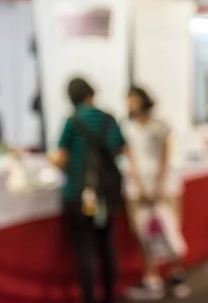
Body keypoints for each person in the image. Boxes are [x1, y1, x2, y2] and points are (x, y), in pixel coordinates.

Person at [50, 78, 125, 303]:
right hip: (106, 193)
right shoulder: (108, 119)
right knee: (106, 245)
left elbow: (60, 157)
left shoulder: (72, 122)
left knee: (85, 250)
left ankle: (89, 298)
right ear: (91, 94)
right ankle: (110, 295)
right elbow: (119, 148)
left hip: (79, 193)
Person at [122, 86, 190, 301]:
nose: (129, 104)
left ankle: (177, 275)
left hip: (163, 187)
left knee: (169, 230)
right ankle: (152, 279)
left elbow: (165, 155)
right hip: (138, 189)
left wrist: (158, 186)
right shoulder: (126, 127)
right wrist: (141, 187)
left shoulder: (160, 125)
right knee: (144, 234)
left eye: (132, 99)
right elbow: (130, 157)